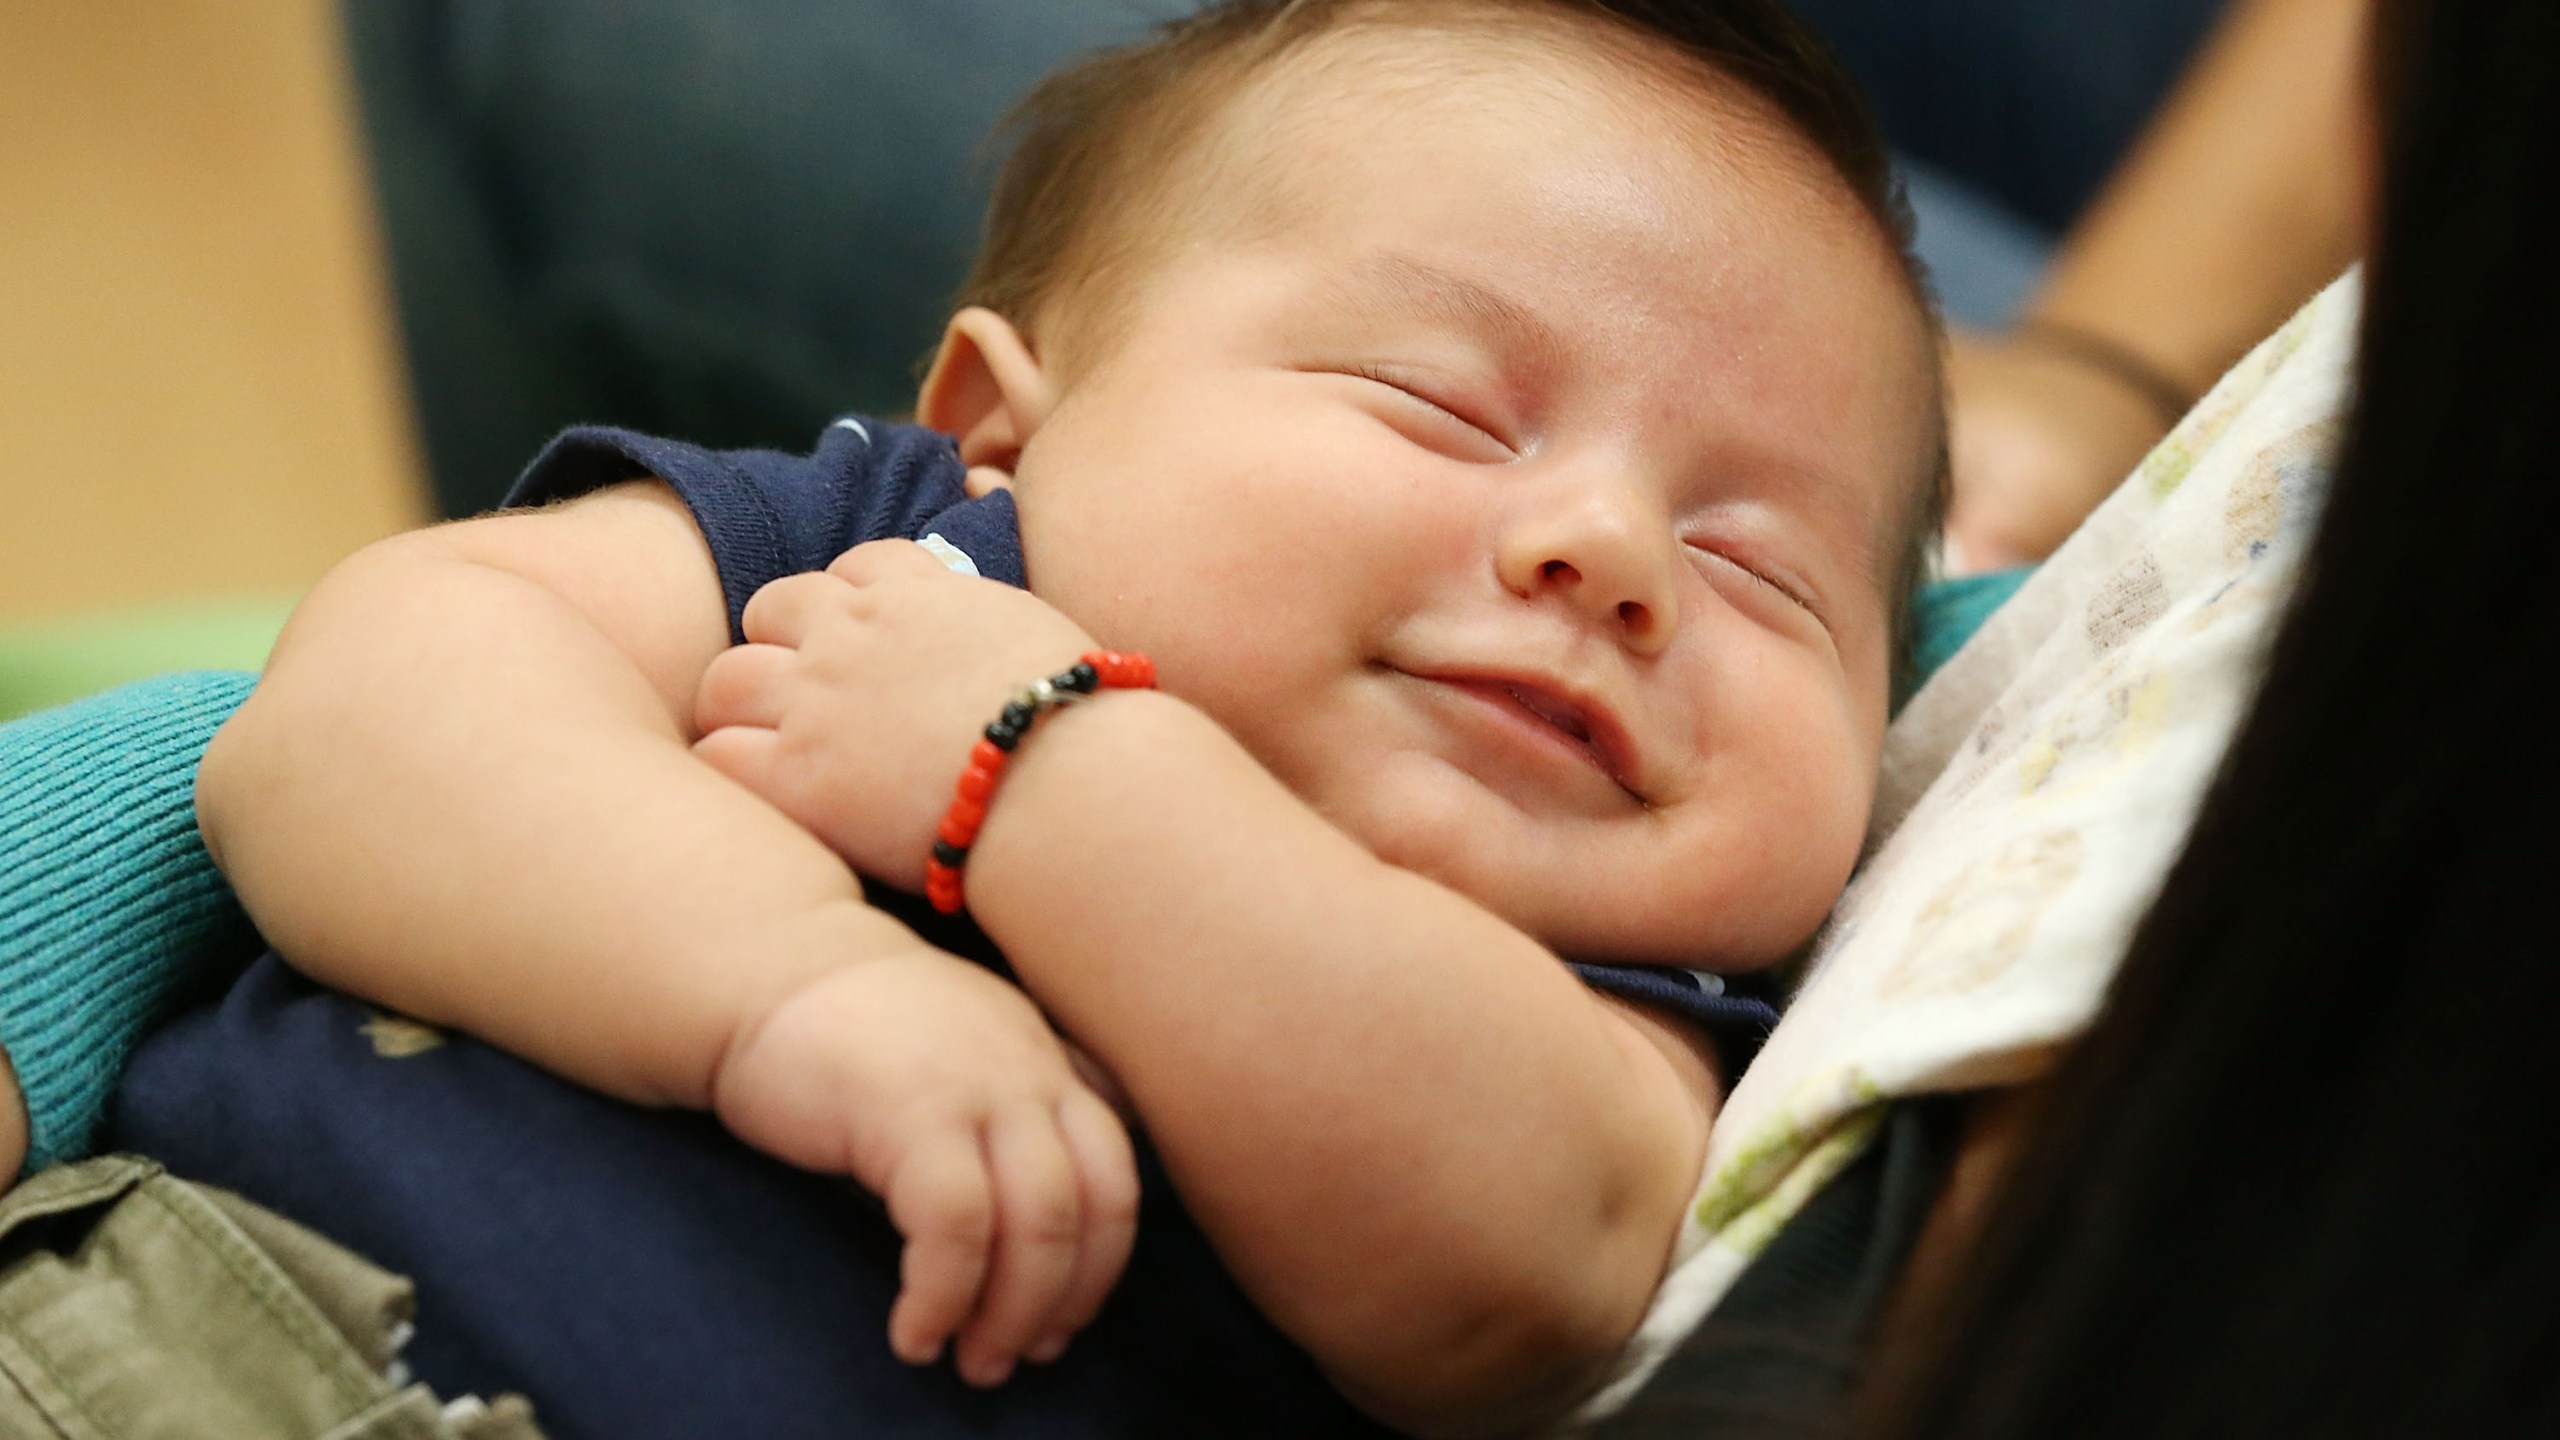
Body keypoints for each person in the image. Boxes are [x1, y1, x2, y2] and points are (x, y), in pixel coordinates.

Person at [101, 1, 1944, 1435]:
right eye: (1442, 406)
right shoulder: (905, 550)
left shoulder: (1639, 1011)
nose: (1613, 553)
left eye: (1760, 568)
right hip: (179, 1327)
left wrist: (1050, 772)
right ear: (1005, 427)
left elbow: (1529, 1273)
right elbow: (359, 711)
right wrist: (784, 984)